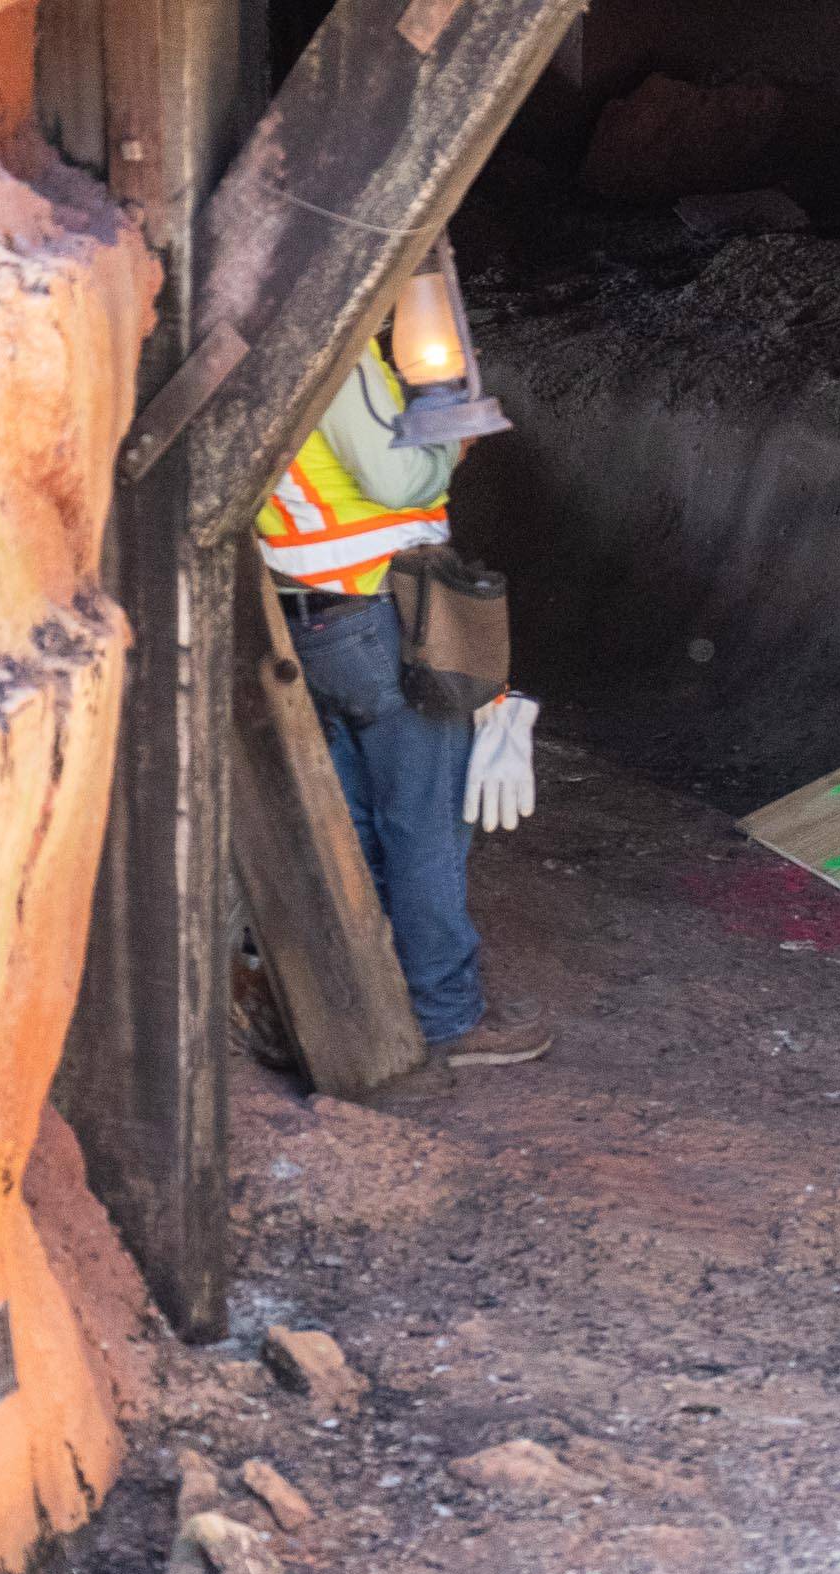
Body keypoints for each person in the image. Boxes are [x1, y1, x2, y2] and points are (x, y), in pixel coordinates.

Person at [255, 337, 552, 1068]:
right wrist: (451, 442)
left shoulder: (254, 351)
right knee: (424, 821)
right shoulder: (334, 352)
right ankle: (446, 1018)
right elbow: (396, 484)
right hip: (378, 616)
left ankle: (361, 1003)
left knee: (351, 826)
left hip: (305, 618)